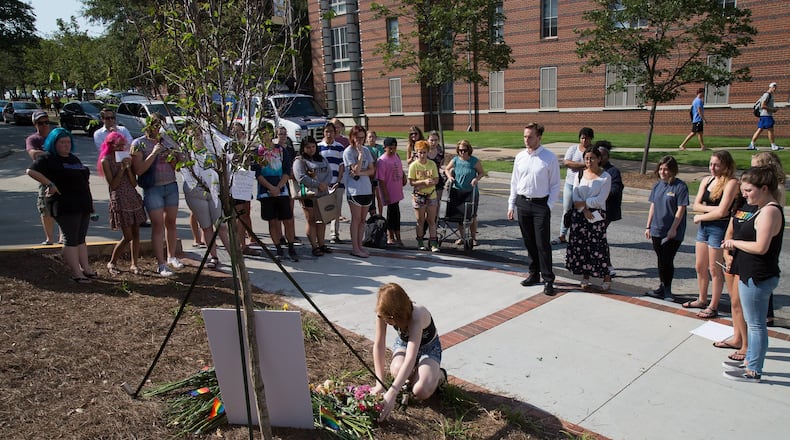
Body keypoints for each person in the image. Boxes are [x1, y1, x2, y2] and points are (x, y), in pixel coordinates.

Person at [718, 152, 786, 361]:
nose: (745, 194)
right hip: (745, 267)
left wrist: (734, 243)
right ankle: (748, 356)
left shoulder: (769, 210)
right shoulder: (756, 206)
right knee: (746, 314)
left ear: (764, 188)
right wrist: (729, 251)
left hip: (757, 273)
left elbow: (761, 247)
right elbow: (735, 227)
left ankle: (752, 365)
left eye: (748, 190)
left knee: (756, 324)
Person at [26, 127, 97, 283]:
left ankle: (87, 269)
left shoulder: (74, 159)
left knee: (80, 238)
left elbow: (84, 182)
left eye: (68, 142)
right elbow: (31, 171)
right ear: (53, 143)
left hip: (82, 204)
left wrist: (90, 204)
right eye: (62, 142)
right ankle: (76, 273)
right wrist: (49, 183)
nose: (66, 145)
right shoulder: (48, 159)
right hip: (64, 205)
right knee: (70, 239)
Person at [371, 283, 445, 421]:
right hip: (405, 344)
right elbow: (379, 344)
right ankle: (414, 376)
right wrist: (379, 384)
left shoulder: (417, 316)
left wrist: (392, 392)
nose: (384, 321)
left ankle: (440, 375)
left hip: (428, 348)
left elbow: (410, 358)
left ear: (395, 316)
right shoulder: (382, 313)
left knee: (421, 390)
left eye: (387, 319)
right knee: (397, 369)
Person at [507, 123, 561, 296]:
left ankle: (548, 279)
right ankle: (533, 274)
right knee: (529, 241)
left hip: (540, 205)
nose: (527, 140)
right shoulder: (520, 157)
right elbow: (514, 182)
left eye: (530, 136)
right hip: (523, 203)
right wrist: (511, 204)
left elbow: (555, 185)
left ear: (539, 137)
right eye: (524, 136)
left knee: (542, 244)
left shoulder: (549, 158)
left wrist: (548, 206)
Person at [685, 151, 739, 319]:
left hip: (719, 228)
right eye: (711, 164)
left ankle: (713, 305)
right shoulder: (707, 180)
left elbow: (724, 212)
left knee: (715, 269)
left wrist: (702, 215)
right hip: (705, 227)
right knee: (700, 266)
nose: (712, 168)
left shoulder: (731, 183)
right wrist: (713, 211)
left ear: (726, 166)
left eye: (716, 165)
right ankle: (701, 299)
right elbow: (696, 204)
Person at [131, 114, 183, 276]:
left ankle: (171, 256)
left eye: (161, 125)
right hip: (153, 188)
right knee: (158, 224)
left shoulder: (168, 140)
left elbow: (178, 167)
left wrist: (172, 157)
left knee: (171, 222)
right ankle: (161, 264)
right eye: (155, 124)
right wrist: (153, 153)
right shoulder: (139, 143)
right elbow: (138, 170)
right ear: (148, 125)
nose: (158, 128)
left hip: (170, 185)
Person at [180, 124, 231, 270]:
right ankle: (214, 257)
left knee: (221, 226)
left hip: (213, 190)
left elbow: (222, 167)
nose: (197, 137)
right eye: (193, 135)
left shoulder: (212, 149)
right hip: (195, 191)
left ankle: (233, 256)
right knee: (207, 227)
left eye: (198, 134)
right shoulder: (186, 151)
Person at [98, 132, 147, 275]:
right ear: (110, 145)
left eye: (122, 145)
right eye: (117, 145)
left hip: (131, 197)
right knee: (128, 236)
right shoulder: (106, 161)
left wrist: (128, 168)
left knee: (136, 233)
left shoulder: (126, 157)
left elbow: (133, 183)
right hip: (119, 198)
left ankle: (134, 264)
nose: (120, 148)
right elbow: (113, 185)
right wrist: (121, 169)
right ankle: (112, 262)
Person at [565, 147, 612, 290]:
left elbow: (601, 199)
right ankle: (585, 276)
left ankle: (606, 276)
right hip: (580, 215)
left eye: (592, 158)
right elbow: (575, 194)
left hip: (596, 216)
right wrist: (584, 209)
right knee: (582, 247)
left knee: (598, 247)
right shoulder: (579, 174)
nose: (589, 161)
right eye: (586, 158)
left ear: (598, 159)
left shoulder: (605, 177)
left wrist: (586, 204)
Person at [644, 156, 689, 302]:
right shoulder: (657, 186)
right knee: (660, 260)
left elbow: (681, 209)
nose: (663, 172)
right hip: (657, 229)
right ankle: (661, 287)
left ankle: (668, 290)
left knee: (667, 260)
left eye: (666, 169)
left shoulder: (680, 187)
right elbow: (653, 206)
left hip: (672, 231)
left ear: (672, 170)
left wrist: (673, 229)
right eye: (661, 169)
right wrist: (648, 226)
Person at [254, 124, 299, 262]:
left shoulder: (281, 150)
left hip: (282, 190)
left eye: (267, 132)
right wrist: (270, 188)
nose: (265, 135)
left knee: (288, 220)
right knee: (272, 221)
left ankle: (291, 247)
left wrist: (278, 187)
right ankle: (278, 247)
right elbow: (257, 173)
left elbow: (286, 171)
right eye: (262, 133)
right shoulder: (257, 152)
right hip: (265, 192)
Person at [292, 136, 333, 256]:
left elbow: (329, 173)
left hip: (323, 194)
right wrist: (317, 184)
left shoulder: (322, 159)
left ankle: (321, 244)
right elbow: (301, 177)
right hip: (309, 196)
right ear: (303, 148)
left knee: (322, 220)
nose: (311, 149)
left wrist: (325, 184)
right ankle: (314, 246)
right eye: (308, 147)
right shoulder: (299, 161)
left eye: (313, 146)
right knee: (312, 220)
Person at [554, 127, 593, 245]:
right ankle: (562, 235)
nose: (584, 140)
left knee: (584, 210)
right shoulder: (573, 149)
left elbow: (593, 165)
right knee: (567, 209)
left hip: (586, 186)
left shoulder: (592, 151)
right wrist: (582, 165)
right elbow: (566, 162)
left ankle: (583, 236)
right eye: (582, 138)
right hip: (570, 184)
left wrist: (577, 166)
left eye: (586, 138)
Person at [25, 110, 59, 245]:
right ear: (35, 124)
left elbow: (66, 151)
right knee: (46, 209)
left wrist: (46, 155)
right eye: (40, 123)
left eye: (46, 122)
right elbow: (34, 155)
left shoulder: (55, 136)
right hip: (44, 178)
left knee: (63, 209)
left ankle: (63, 238)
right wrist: (52, 154)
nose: (44, 125)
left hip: (61, 176)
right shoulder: (33, 139)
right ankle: (50, 238)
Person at [343, 125, 376, 258]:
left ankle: (360, 245)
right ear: (352, 137)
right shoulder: (348, 152)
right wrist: (360, 155)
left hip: (366, 188)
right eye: (358, 138)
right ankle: (355, 247)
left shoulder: (367, 150)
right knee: (356, 219)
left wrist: (361, 172)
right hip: (354, 190)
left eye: (362, 138)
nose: (360, 141)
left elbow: (372, 170)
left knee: (363, 219)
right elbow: (354, 170)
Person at [444, 139, 484, 246]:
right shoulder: (456, 160)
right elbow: (446, 169)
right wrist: (450, 177)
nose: (462, 152)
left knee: (472, 215)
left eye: (464, 150)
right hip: (458, 190)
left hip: (471, 191)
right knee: (460, 215)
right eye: (460, 150)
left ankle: (473, 237)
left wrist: (476, 179)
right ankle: (462, 237)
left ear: (469, 150)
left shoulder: (474, 161)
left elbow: (481, 173)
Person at [596, 141, 623, 276]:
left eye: (603, 155)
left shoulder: (613, 172)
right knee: (595, 235)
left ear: (607, 156)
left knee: (599, 235)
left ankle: (608, 266)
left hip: (607, 211)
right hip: (593, 209)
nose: (601, 157)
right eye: (599, 155)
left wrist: (599, 193)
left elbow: (615, 190)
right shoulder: (593, 169)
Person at [408, 140, 440, 252]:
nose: (422, 155)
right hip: (419, 196)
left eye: (424, 152)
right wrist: (423, 182)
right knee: (420, 220)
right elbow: (411, 182)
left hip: (431, 195)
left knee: (431, 220)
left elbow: (436, 179)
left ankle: (434, 243)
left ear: (427, 152)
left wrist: (431, 182)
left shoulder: (432, 164)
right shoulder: (414, 166)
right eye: (420, 152)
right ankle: (420, 241)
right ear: (416, 153)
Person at [318, 122, 346, 244]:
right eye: (326, 131)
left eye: (331, 131)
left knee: (336, 209)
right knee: (323, 210)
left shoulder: (339, 147)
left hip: (337, 183)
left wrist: (339, 181)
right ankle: (320, 236)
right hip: (323, 184)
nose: (329, 134)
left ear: (335, 133)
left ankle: (334, 234)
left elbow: (341, 166)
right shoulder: (318, 147)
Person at [377, 137, 406, 246]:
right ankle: (391, 236)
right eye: (390, 148)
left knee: (396, 214)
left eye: (394, 147)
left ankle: (397, 236)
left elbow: (400, 168)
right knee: (392, 214)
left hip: (397, 189)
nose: (393, 150)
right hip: (389, 191)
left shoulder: (396, 156)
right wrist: (385, 194)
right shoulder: (382, 160)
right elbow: (381, 179)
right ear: (385, 148)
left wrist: (404, 176)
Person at [275, 126, 300, 245]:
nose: (283, 136)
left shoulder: (290, 149)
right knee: (279, 212)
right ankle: (280, 236)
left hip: (289, 182)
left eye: (285, 134)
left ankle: (292, 234)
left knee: (290, 210)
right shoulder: (274, 150)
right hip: (279, 182)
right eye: (280, 134)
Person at [748, 82, 782, 151]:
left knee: (760, 129)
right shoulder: (767, 95)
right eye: (774, 87)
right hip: (766, 115)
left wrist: (773, 108)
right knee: (770, 130)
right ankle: (773, 146)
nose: (775, 89)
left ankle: (752, 144)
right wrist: (773, 110)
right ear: (770, 87)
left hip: (764, 115)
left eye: (775, 87)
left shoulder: (769, 95)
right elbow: (763, 106)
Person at [365, 130, 385, 215]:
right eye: (370, 137)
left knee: (379, 196)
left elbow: (380, 160)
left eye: (373, 137)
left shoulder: (379, 148)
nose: (372, 139)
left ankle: (380, 214)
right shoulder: (365, 148)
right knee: (370, 196)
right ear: (366, 139)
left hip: (378, 175)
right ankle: (372, 214)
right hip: (369, 176)